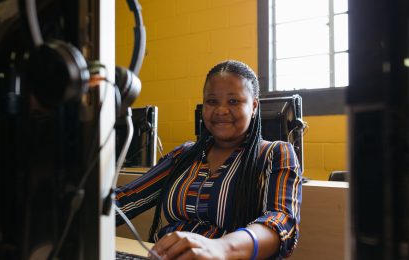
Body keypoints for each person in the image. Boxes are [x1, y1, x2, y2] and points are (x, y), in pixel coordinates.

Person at [115, 60, 302, 259]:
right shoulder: (184, 155)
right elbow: (127, 199)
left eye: (233, 101)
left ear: (254, 106)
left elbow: (282, 223)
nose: (221, 110)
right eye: (212, 101)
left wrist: (222, 248)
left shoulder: (275, 153)